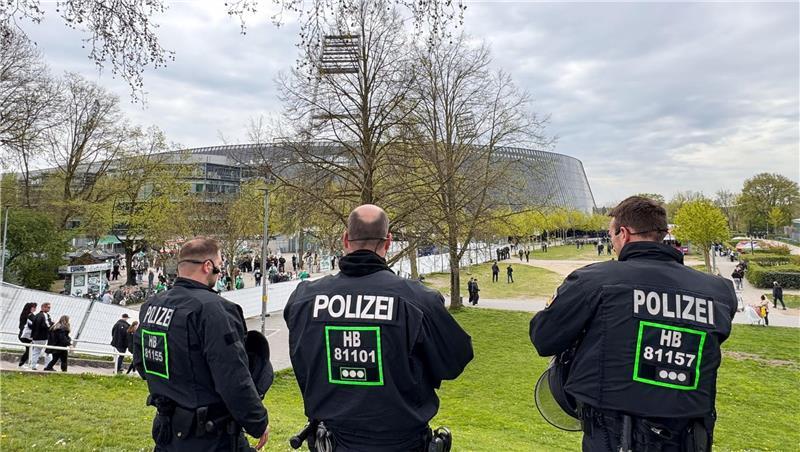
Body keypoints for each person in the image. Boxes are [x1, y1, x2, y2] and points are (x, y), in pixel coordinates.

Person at [530, 196, 737, 451]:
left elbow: (544, 337)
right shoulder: (717, 291)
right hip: (689, 436)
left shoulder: (593, 281)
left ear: (624, 234)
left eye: (611, 236)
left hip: (613, 434)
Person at [284, 204, 473, 451]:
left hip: (333, 440)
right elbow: (454, 360)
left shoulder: (305, 299)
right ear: (389, 242)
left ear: (345, 239)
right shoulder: (417, 301)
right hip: (397, 442)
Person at [132, 237, 271, 451]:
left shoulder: (152, 305)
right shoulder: (214, 310)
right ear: (208, 266)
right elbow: (233, 377)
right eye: (220, 266)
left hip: (167, 430)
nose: (220, 272)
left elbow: (142, 362)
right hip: (210, 435)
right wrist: (258, 421)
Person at [29, 302, 53, 370]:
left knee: (36, 352)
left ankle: (33, 366)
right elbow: (47, 325)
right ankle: (48, 366)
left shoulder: (36, 315)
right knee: (48, 352)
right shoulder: (44, 315)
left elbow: (33, 326)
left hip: (36, 337)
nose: (48, 309)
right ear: (42, 307)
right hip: (43, 337)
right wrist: (52, 324)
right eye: (47, 307)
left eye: (49, 307)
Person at [17, 302, 37, 367]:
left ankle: (24, 363)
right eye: (33, 307)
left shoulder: (24, 315)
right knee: (30, 350)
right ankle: (24, 364)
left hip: (23, 335)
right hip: (25, 336)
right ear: (30, 308)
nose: (35, 309)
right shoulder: (30, 316)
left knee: (31, 349)